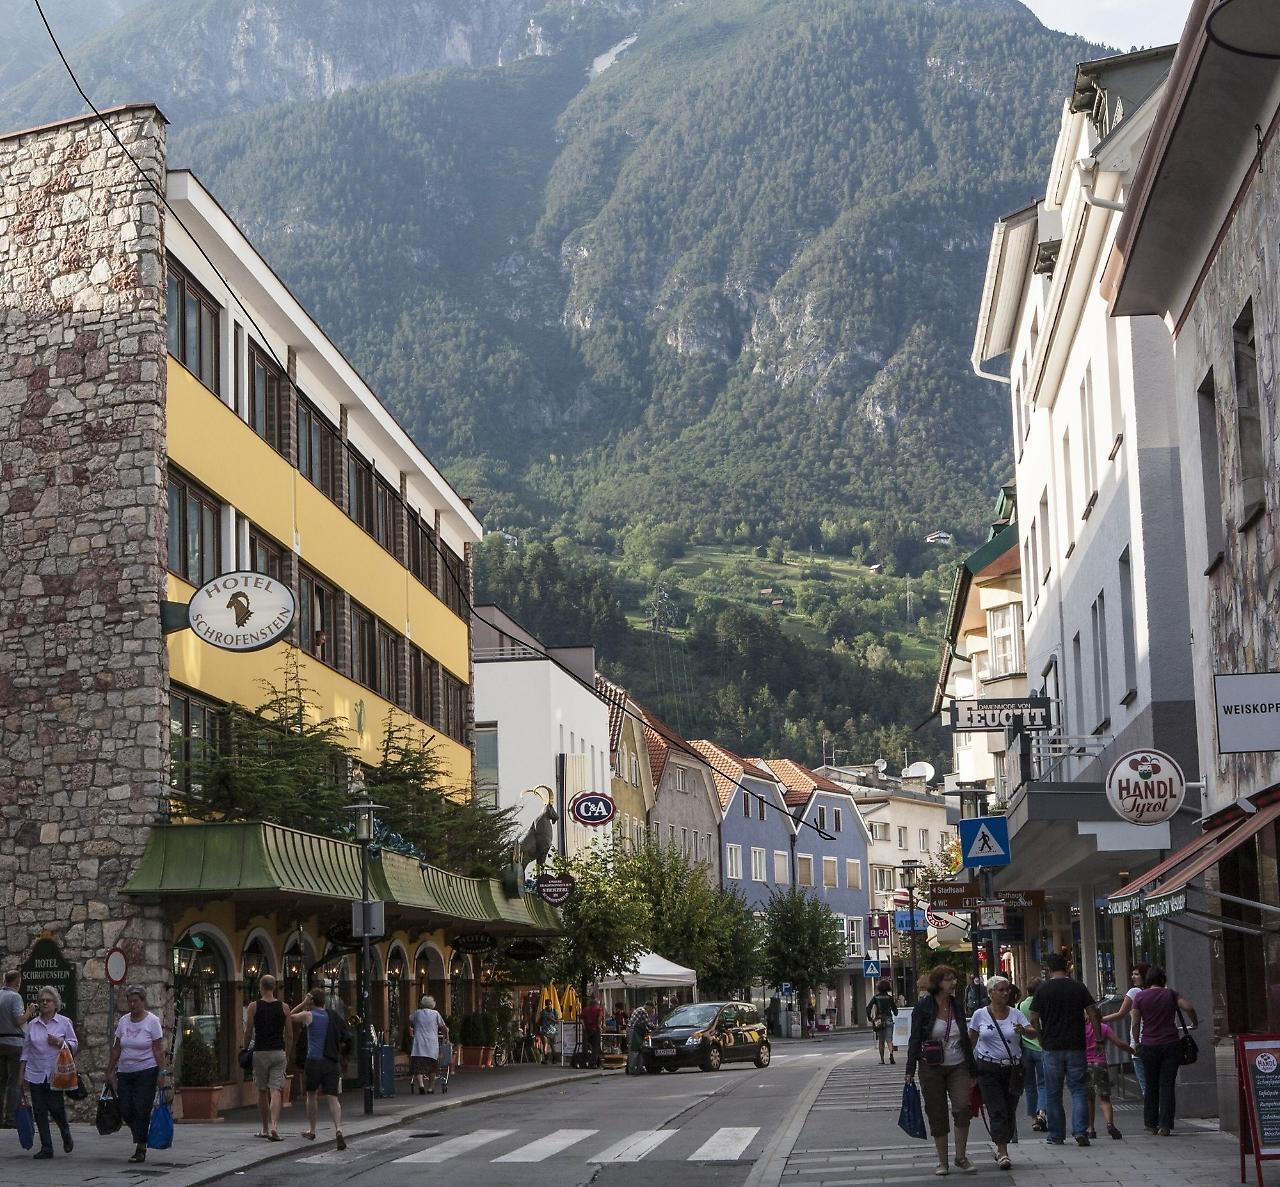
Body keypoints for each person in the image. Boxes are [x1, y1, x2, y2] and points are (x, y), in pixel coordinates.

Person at [905, 965, 978, 1177]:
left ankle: (961, 1157)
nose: (953, 982)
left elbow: (964, 1038)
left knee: (963, 1108)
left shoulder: (956, 1005)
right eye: (948, 979)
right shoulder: (923, 1007)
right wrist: (910, 1068)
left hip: (958, 1065)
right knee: (937, 1113)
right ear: (937, 983)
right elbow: (915, 1038)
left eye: (954, 978)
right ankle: (943, 1161)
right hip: (931, 1067)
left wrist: (973, 1070)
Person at [1030, 953, 1101, 1147]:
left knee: (1053, 1092)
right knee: (1078, 1089)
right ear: (1067, 967)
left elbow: (1034, 1017)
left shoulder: (1042, 990)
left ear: (1048, 969)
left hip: (1052, 1046)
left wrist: (1041, 1036)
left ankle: (1056, 1134)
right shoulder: (1078, 987)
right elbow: (1093, 1013)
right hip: (1076, 1044)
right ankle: (1080, 1131)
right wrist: (1099, 1038)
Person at [968, 975, 1035, 1171]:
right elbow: (970, 1041)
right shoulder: (980, 1014)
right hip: (988, 1068)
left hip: (1013, 1069)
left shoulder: (1015, 1014)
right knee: (997, 1110)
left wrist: (1024, 1030)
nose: (1006, 993)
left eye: (1007, 990)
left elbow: (1033, 1032)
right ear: (990, 994)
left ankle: (1001, 1142)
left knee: (1009, 1110)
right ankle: (1003, 1151)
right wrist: (967, 1068)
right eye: (1001, 990)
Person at [1131, 967, 1197, 1136]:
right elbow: (1188, 1007)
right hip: (1170, 1044)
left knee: (1151, 1084)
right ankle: (1165, 1125)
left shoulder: (1139, 997)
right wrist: (1194, 1022)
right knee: (1167, 1085)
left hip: (1149, 1045)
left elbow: (1135, 1023)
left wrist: (1137, 1042)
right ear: (1162, 979)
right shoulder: (1170, 994)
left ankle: (1151, 1123)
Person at [104, 985, 166, 1163]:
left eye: (135, 1001)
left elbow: (158, 1048)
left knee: (141, 1107)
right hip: (125, 1071)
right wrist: (109, 1070)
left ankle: (141, 1146)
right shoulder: (124, 1021)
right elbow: (117, 1048)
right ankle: (140, 1132)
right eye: (129, 1001)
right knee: (126, 1108)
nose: (132, 1005)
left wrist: (162, 1073)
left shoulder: (152, 1022)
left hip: (146, 1070)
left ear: (143, 1001)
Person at [18, 985, 77, 1161]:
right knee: (40, 1111)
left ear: (55, 1003)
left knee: (56, 1108)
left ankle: (65, 1132)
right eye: (42, 1000)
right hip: (35, 1073)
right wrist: (21, 1074)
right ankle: (46, 1147)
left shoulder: (64, 1023)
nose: (44, 1003)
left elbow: (74, 1044)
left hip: (55, 1073)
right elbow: (26, 1051)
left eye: (48, 1000)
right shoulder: (32, 1025)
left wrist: (60, 1042)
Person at [291, 988, 348, 1150]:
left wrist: (303, 1003)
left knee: (311, 1095)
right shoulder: (332, 1017)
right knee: (333, 1098)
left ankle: (312, 1129)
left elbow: (287, 1016)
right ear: (324, 1001)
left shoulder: (309, 1016)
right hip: (331, 1062)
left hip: (314, 1061)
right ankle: (338, 1129)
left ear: (311, 1001)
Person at [242, 974, 290, 1141]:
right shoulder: (284, 1007)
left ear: (261, 988)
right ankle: (275, 1126)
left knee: (262, 1091)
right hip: (278, 1052)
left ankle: (264, 1128)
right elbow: (289, 1035)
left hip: (260, 1052)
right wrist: (287, 1053)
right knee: (275, 1090)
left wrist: (244, 1048)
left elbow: (248, 1032)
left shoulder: (253, 1007)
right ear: (274, 987)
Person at [1103, 962, 1151, 1097]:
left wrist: (1100, 1020)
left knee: (1144, 1083)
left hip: (1140, 1041)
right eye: (1132, 974)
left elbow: (1120, 1014)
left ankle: (1152, 1112)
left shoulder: (1134, 992)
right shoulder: (1157, 991)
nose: (1133, 977)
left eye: (1136, 974)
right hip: (1155, 1040)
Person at [1083, 1015, 1134, 1139]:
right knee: (1104, 1098)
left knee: (1089, 1099)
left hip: (1084, 1065)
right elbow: (1119, 1043)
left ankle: (1090, 1129)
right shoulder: (1103, 1027)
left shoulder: (1079, 1029)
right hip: (1100, 1065)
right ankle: (1110, 1124)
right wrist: (1132, 1051)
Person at [1017, 979, 1046, 1131]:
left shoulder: (1020, 1005)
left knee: (1029, 1086)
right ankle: (1042, 1112)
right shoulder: (1042, 1004)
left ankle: (1034, 1119)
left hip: (1026, 1049)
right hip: (1041, 1048)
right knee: (1044, 1083)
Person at [0, 970, 26, 1129]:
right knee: (14, 1082)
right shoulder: (15, 997)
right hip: (14, 1045)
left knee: (1, 1082)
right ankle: (10, 1119)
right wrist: (29, 1012)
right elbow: (19, 1021)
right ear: (17, 982)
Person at [408, 994, 446, 1094]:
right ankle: (430, 1087)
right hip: (431, 1044)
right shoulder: (436, 1014)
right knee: (432, 1066)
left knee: (418, 1066)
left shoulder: (417, 1013)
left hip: (419, 1043)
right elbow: (443, 1026)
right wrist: (446, 1034)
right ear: (432, 1004)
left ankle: (421, 1085)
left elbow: (410, 1020)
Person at [867, 979, 898, 1065]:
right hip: (889, 1019)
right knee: (889, 1040)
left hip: (879, 1021)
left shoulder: (876, 997)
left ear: (879, 988)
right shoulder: (890, 998)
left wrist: (870, 1017)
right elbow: (895, 1011)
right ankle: (891, 1055)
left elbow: (868, 1007)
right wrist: (895, 1012)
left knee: (881, 1040)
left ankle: (882, 1059)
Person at [626, 1000, 653, 1075]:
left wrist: (648, 1029)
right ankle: (632, 1068)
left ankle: (639, 1067)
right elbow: (647, 1023)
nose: (651, 1011)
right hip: (633, 1031)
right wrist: (655, 1028)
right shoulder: (643, 1011)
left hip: (633, 1030)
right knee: (634, 1050)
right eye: (652, 1009)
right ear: (649, 1007)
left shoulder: (639, 1009)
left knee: (639, 1049)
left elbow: (643, 1023)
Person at [581, 992, 603, 1070]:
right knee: (595, 1047)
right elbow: (599, 1018)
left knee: (585, 1046)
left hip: (586, 1029)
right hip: (595, 1029)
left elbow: (581, 1018)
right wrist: (599, 1026)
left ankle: (584, 1062)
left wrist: (584, 1026)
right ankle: (592, 1063)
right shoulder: (599, 1009)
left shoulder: (586, 1009)